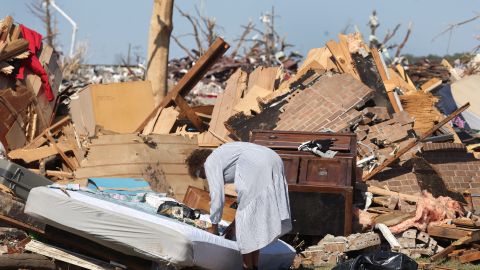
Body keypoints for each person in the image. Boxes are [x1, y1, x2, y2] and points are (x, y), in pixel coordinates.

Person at [186, 142, 292, 270]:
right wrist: (234, 224)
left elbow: (217, 197)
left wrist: (213, 227)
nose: (206, 178)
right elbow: (245, 202)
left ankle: (246, 266)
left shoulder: (210, 162)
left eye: (204, 176)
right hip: (273, 158)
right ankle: (254, 266)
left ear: (201, 166)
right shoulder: (222, 154)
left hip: (258, 163)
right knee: (253, 222)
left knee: (246, 225)